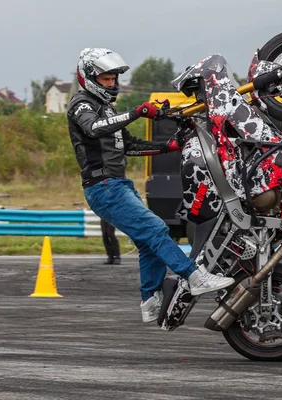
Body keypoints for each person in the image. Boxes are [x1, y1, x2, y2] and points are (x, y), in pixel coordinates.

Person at [67, 48, 234, 323]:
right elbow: (94, 128)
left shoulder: (106, 108)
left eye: (113, 79)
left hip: (118, 184)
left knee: (148, 242)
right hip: (103, 186)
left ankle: (149, 300)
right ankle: (194, 276)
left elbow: (130, 147)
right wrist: (137, 112)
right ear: (89, 78)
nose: (111, 84)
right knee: (156, 229)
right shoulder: (81, 104)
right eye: (106, 80)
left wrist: (169, 146)